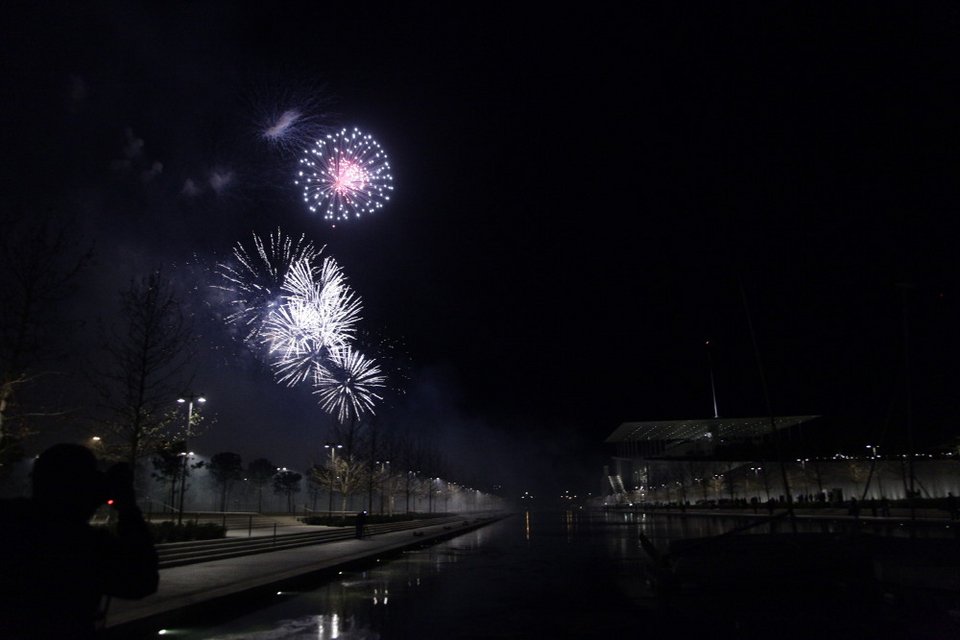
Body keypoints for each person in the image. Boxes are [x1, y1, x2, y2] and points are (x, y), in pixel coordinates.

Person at [0, 443, 159, 639]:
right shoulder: (87, 547)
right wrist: (128, 507)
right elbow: (141, 581)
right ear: (85, 489)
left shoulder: (9, 521)